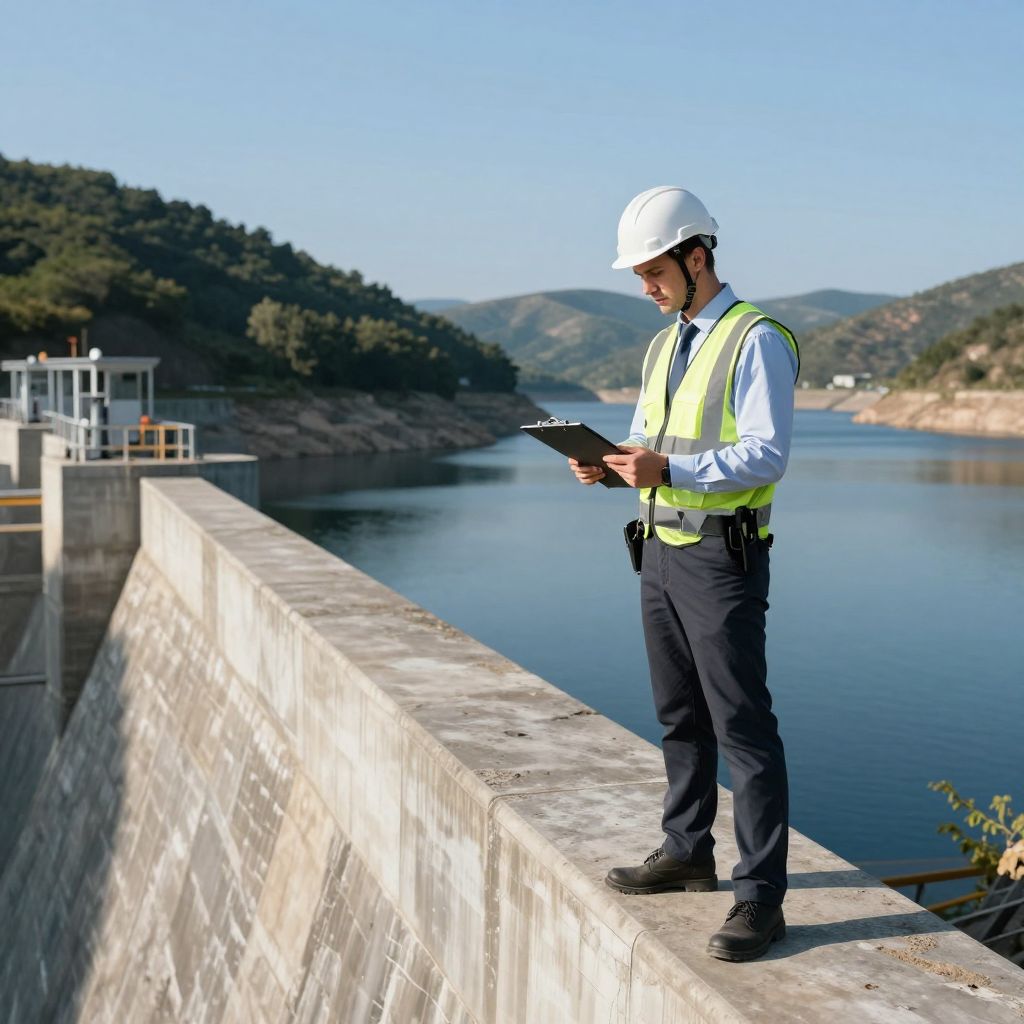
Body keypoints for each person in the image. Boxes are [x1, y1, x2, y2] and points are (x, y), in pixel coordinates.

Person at [568, 186, 799, 963]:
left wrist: (669, 468)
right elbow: (648, 443)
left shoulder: (756, 338)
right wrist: (609, 465)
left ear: (697, 258)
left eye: (654, 271)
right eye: (640, 275)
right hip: (661, 548)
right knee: (678, 715)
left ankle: (760, 897)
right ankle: (687, 850)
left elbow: (766, 453)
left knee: (743, 727)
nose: (646, 287)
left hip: (723, 558)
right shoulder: (664, 345)